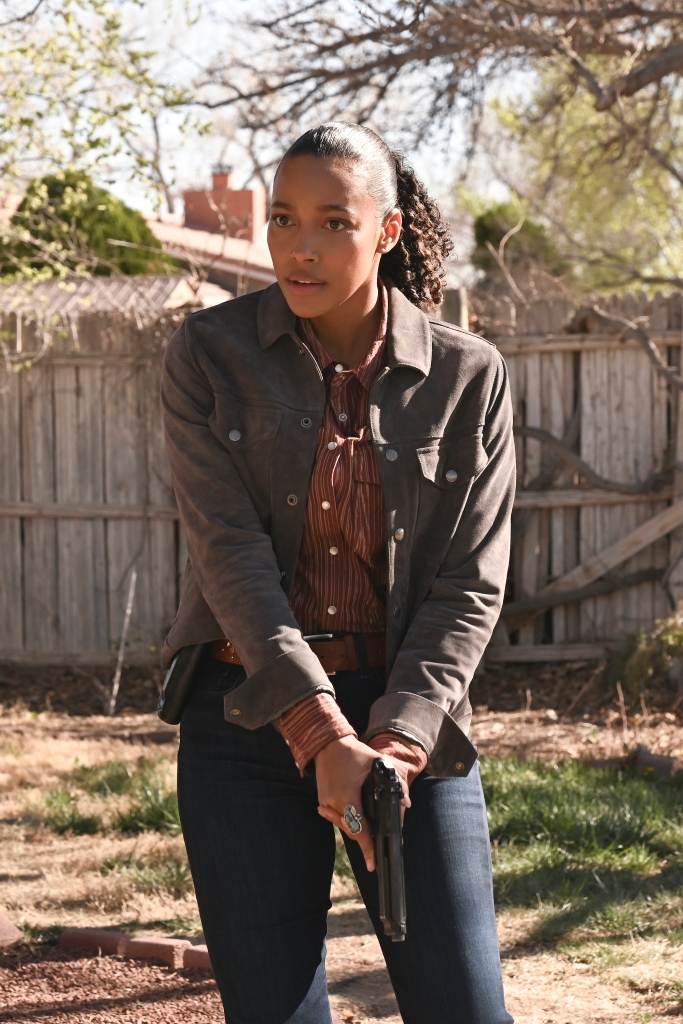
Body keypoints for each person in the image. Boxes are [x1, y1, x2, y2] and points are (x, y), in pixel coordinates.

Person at [161, 121, 516, 1024]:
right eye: (281, 219)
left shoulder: (469, 376)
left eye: (330, 222)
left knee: (466, 1010)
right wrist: (319, 735)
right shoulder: (207, 356)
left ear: (386, 232)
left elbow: (468, 585)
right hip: (246, 718)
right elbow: (229, 558)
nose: (299, 247)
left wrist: (391, 747)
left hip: (409, 719)